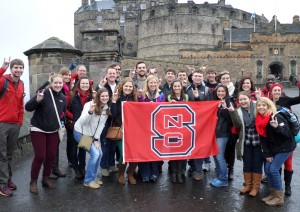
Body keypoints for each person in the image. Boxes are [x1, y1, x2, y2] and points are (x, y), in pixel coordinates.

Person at [25, 74, 67, 194]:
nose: (58, 85)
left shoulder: (63, 98)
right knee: (40, 156)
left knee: (51, 156)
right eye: (56, 83)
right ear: (51, 83)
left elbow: (62, 114)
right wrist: (37, 99)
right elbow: (28, 107)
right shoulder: (43, 93)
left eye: (60, 83)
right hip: (38, 128)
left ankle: (46, 178)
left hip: (53, 130)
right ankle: (33, 182)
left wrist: (62, 125)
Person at [255, 97, 296, 206]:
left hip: (285, 147)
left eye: (264, 105)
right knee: (268, 170)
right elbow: (263, 139)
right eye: (259, 105)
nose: (261, 107)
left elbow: (288, 134)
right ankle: (273, 193)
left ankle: (279, 197)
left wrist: (277, 127)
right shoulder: (259, 118)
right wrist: (267, 154)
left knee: (273, 169)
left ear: (268, 106)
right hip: (273, 149)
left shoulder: (276, 117)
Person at [73, 88, 110, 189]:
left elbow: (101, 126)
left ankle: (93, 177)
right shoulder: (89, 105)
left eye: (106, 96)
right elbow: (81, 123)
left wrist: (96, 140)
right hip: (80, 133)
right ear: (98, 96)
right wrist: (90, 112)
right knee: (95, 154)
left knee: (100, 153)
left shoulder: (106, 108)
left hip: (91, 136)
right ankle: (88, 180)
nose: (105, 98)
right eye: (102, 96)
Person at [229, 91, 263, 196]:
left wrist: (260, 98)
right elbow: (238, 125)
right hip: (246, 141)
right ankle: (248, 186)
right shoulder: (238, 110)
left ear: (249, 98)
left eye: (244, 99)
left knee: (257, 164)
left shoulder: (258, 106)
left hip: (258, 141)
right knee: (247, 164)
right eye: (240, 100)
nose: (243, 101)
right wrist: (232, 112)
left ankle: (255, 187)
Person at [269, 82, 300, 196]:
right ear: (271, 92)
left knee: (288, 163)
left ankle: (288, 186)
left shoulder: (286, 100)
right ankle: (278, 186)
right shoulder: (268, 102)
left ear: (281, 91)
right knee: (277, 164)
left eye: (278, 90)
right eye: (275, 90)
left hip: (287, 137)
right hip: (274, 139)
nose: (277, 92)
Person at [0, 58, 25, 197]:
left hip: (15, 124)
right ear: (11, 68)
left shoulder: (21, 84)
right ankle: (2, 184)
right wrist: (2, 67)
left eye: (21, 68)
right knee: (1, 155)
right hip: (2, 123)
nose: (18, 70)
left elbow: (21, 104)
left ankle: (7, 179)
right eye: (15, 67)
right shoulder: (3, 80)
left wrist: (20, 121)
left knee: (9, 155)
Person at [186, 69, 213, 180]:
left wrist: (197, 98)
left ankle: (198, 170)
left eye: (200, 76)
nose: (197, 78)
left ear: (203, 78)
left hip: (201, 124)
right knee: (189, 147)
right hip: (188, 123)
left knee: (199, 147)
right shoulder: (186, 89)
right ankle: (192, 167)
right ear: (192, 77)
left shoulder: (206, 90)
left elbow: (209, 107)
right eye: (195, 76)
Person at [110, 78, 138, 185]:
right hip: (120, 130)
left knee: (135, 154)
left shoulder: (135, 98)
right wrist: (113, 100)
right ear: (122, 86)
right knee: (123, 154)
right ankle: (121, 174)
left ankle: (130, 174)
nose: (128, 88)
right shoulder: (117, 97)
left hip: (133, 131)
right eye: (126, 86)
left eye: (130, 86)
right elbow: (112, 114)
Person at [138, 75, 165, 182]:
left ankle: (154, 173)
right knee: (145, 151)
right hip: (144, 126)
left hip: (157, 127)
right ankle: (145, 173)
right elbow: (138, 108)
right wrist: (142, 100)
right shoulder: (143, 95)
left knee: (155, 151)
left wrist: (155, 105)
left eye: (155, 83)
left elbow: (163, 108)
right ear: (147, 84)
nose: (153, 85)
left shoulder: (161, 94)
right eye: (151, 83)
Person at [69, 77, 93, 181]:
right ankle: (76, 169)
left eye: (86, 83)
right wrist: (73, 118)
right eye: (83, 83)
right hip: (74, 126)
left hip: (86, 127)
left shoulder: (91, 97)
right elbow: (64, 109)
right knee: (73, 149)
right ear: (79, 84)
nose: (85, 85)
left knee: (83, 148)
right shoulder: (72, 95)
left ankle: (82, 168)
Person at [97, 67, 119, 177]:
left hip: (115, 120)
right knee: (105, 144)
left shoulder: (119, 86)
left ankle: (111, 164)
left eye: (113, 73)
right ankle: (104, 166)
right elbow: (96, 97)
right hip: (104, 119)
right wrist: (100, 86)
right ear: (106, 74)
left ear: (117, 75)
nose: (112, 75)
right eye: (110, 73)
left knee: (113, 144)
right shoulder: (103, 86)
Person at [210, 85, 233, 187]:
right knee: (215, 156)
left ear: (226, 92)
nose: (220, 93)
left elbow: (230, 120)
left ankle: (223, 179)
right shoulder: (215, 102)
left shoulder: (228, 102)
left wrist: (225, 108)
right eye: (218, 91)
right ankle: (219, 176)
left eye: (223, 91)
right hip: (214, 133)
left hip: (223, 134)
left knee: (220, 157)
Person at [167, 80, 188, 183]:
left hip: (183, 127)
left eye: (178, 86)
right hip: (171, 127)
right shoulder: (169, 97)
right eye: (175, 86)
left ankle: (180, 172)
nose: (177, 88)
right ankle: (174, 172)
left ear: (181, 87)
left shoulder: (186, 97)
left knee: (182, 151)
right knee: (173, 151)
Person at [218, 70, 237, 181]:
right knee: (221, 152)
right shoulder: (216, 97)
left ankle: (230, 170)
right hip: (219, 130)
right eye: (223, 78)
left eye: (227, 78)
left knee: (230, 151)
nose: (225, 80)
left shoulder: (233, 95)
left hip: (230, 130)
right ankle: (222, 170)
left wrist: (227, 109)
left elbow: (232, 117)